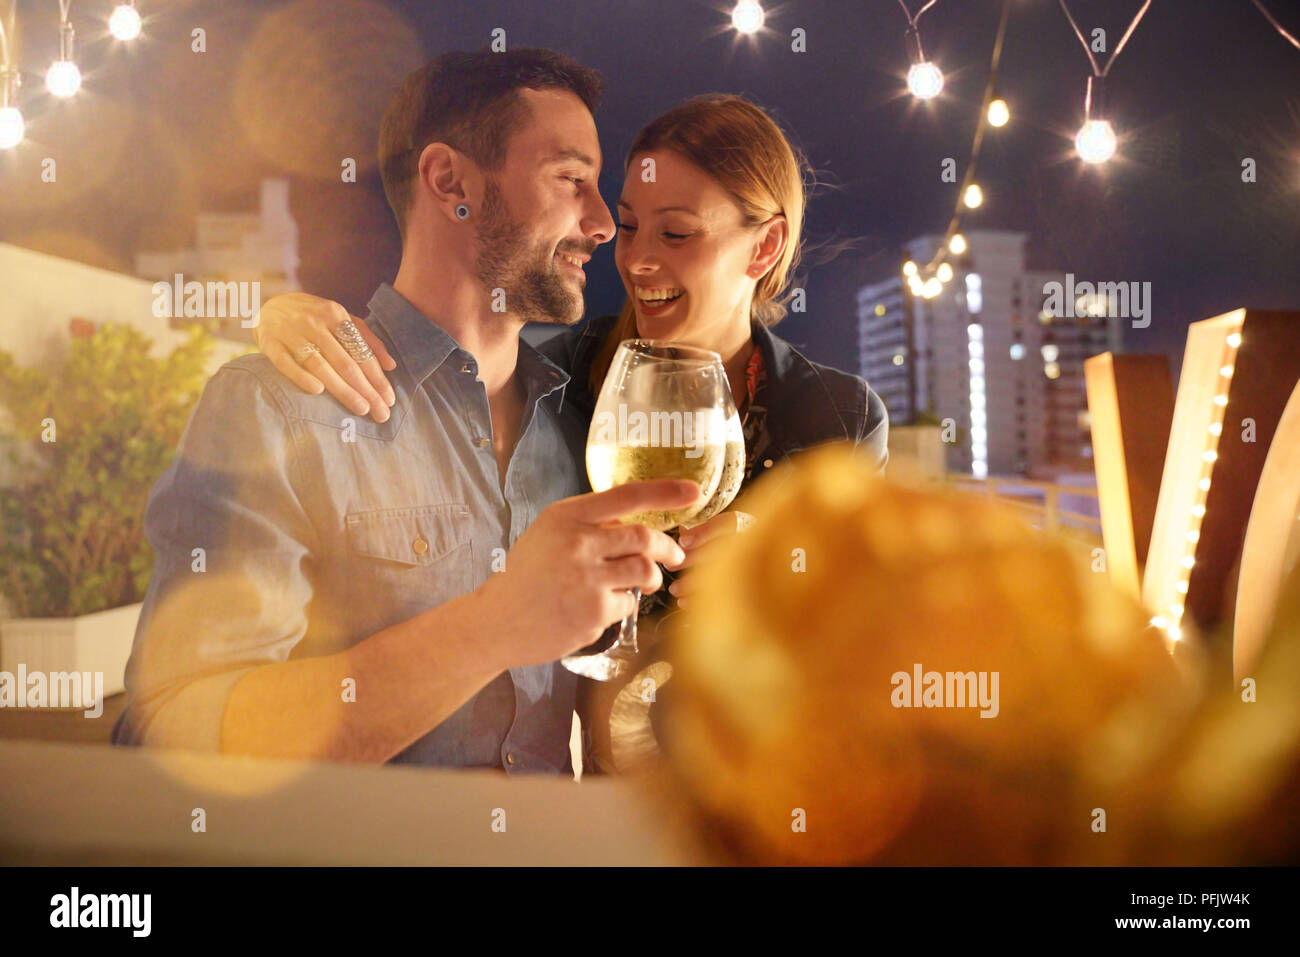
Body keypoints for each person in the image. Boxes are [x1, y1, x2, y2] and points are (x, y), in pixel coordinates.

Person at [247, 93, 891, 769]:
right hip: (604, 801)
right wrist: (286, 315)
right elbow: (437, 377)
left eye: (675, 234)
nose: (636, 259)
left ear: (765, 245)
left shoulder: (839, 418)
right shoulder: (562, 378)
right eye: (631, 226)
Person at [111, 48, 703, 775]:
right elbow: (166, 741)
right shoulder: (276, 408)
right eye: (571, 178)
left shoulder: (586, 421)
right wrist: (492, 625)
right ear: (450, 180)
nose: (603, 223)